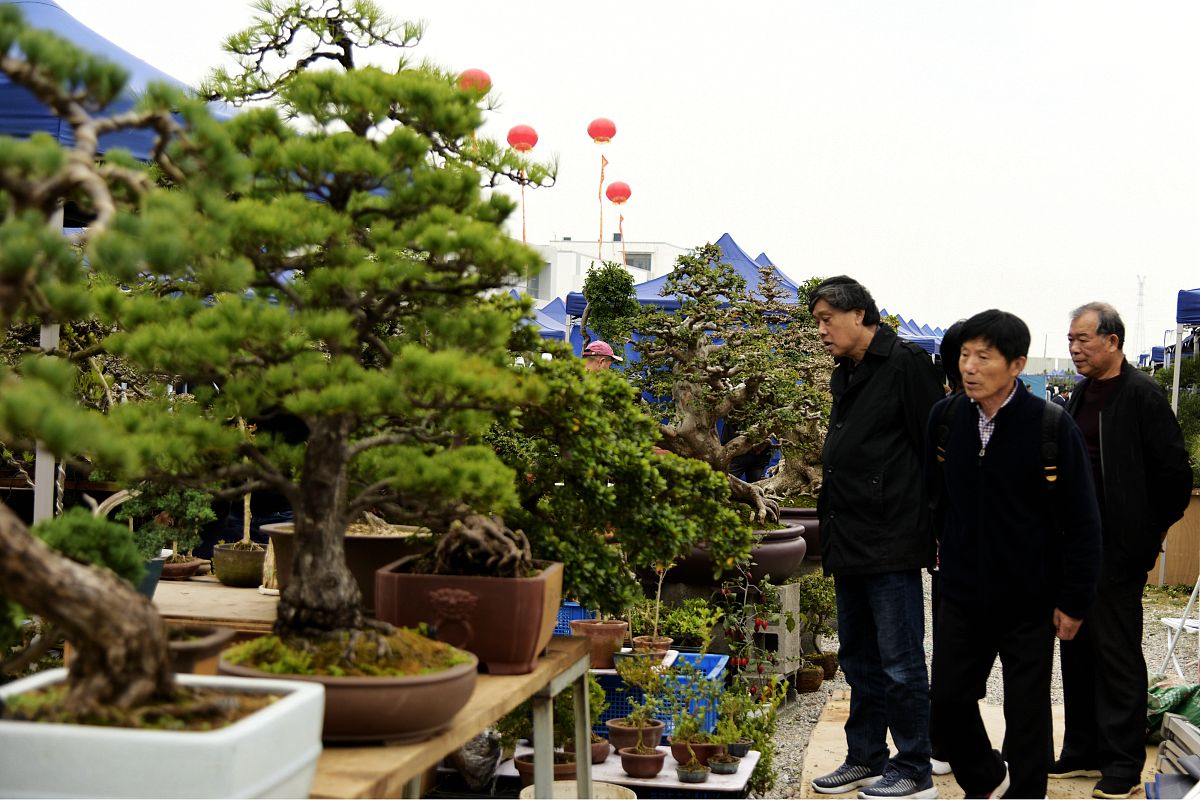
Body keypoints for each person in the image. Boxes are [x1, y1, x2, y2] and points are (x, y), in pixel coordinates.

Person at [928, 309, 1101, 799]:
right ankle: (985, 777)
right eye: (964, 355)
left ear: (1017, 364)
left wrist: (1074, 601)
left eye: (984, 357)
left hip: (1030, 597)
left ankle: (1026, 793)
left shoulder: (1049, 426)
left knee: (1026, 710)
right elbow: (937, 500)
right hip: (962, 593)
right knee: (947, 698)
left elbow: (1083, 521)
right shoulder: (945, 420)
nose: (970, 367)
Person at [807, 276, 944, 800]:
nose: (821, 331)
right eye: (817, 321)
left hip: (892, 538)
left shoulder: (905, 363)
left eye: (826, 320)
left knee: (901, 661)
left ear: (859, 314)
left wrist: (926, 524)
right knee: (858, 658)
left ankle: (914, 767)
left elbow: (933, 446)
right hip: (849, 535)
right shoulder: (847, 370)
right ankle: (864, 757)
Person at [1052, 302, 1192, 800]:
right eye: (1070, 340)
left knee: (1116, 656)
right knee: (1075, 648)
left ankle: (1123, 764)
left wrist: (1143, 536)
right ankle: (1081, 751)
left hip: (1118, 550)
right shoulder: (1081, 394)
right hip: (1076, 547)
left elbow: (1177, 477)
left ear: (1113, 341)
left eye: (1083, 339)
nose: (1074, 349)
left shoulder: (1141, 396)